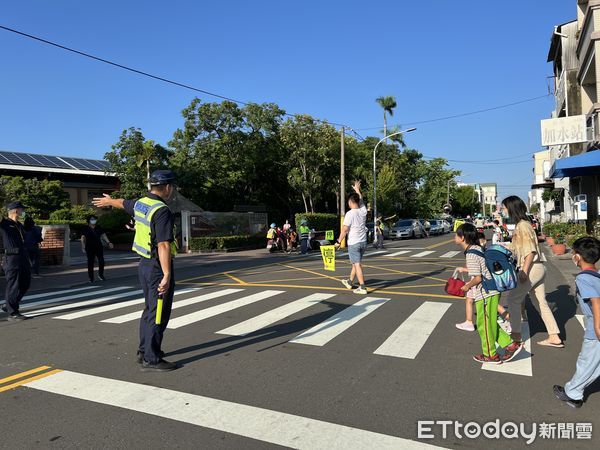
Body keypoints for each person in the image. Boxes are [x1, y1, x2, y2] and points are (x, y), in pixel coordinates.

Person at [92, 169, 178, 372]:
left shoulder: (142, 203)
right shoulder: (161, 210)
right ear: (167, 187)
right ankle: (152, 358)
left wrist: (110, 201)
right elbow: (164, 245)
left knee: (149, 309)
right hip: (157, 266)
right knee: (158, 312)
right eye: (172, 186)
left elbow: (123, 203)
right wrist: (167, 274)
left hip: (144, 265)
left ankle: (144, 351)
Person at [454, 223, 522, 363]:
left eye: (456, 234)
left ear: (462, 238)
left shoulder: (471, 254)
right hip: (491, 291)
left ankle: (490, 355)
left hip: (486, 293)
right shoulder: (476, 248)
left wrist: (467, 287)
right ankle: (510, 344)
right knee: (489, 323)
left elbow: (478, 278)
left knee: (483, 325)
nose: (454, 237)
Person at [502, 196, 563, 348]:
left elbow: (530, 251)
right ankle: (554, 336)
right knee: (540, 302)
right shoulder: (523, 225)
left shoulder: (522, 226)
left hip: (531, 268)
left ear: (511, 208)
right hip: (537, 267)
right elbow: (520, 247)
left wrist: (524, 271)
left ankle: (515, 336)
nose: (502, 210)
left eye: (504, 207)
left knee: (513, 299)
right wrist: (505, 246)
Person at [554, 237, 600, 408]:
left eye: (574, 253)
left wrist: (597, 328)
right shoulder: (597, 275)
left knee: (587, 362)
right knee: (594, 363)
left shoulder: (583, 278)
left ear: (578, 256)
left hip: (596, 326)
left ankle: (573, 394)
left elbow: (596, 301)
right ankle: (574, 390)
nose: (573, 256)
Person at [0, 201, 31, 321]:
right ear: (16, 210)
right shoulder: (4, 223)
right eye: (22, 210)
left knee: (25, 284)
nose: (23, 212)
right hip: (12, 258)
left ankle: (8, 304)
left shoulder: (19, 225)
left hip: (23, 257)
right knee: (14, 285)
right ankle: (13, 313)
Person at [335, 180, 368, 295]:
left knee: (357, 264)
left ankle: (362, 287)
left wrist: (338, 241)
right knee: (356, 262)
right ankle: (349, 282)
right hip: (363, 242)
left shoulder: (350, 214)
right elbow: (361, 199)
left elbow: (344, 229)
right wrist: (357, 190)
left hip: (354, 242)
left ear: (350, 202)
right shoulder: (363, 211)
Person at [81, 215, 113, 283]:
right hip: (89, 247)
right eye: (92, 219)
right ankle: (91, 278)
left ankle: (100, 274)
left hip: (98, 246)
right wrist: (83, 246)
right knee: (90, 262)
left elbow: (103, 235)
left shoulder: (98, 227)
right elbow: (83, 238)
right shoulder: (85, 228)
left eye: (94, 219)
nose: (94, 220)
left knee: (101, 261)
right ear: (89, 220)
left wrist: (108, 242)